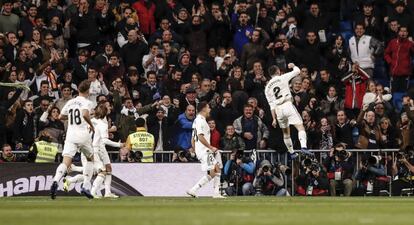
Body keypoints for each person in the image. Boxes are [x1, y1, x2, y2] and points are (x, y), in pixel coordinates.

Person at [50, 80, 95, 199]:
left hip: (70, 135)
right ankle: (85, 186)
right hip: (83, 135)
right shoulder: (87, 102)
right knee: (91, 159)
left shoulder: (70, 102)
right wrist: (91, 125)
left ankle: (55, 180)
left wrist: (70, 117)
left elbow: (60, 116)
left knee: (65, 162)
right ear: (88, 91)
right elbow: (85, 114)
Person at [264, 63, 310, 158]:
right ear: (278, 71)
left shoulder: (267, 88)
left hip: (278, 110)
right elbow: (297, 71)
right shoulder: (282, 78)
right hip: (287, 104)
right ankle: (304, 147)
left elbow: (271, 105)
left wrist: (274, 119)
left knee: (286, 133)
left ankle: (292, 152)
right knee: (300, 126)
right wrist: (293, 66)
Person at [186, 101, 225, 198]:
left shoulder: (196, 121)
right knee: (217, 168)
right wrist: (210, 147)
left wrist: (196, 151)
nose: (210, 110)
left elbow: (192, 139)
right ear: (203, 108)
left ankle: (195, 190)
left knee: (215, 170)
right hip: (204, 150)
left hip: (201, 150)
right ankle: (215, 193)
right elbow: (199, 136)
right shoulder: (200, 121)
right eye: (208, 107)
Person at [89, 103, 124, 198]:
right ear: (104, 112)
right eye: (107, 108)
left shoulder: (92, 121)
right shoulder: (103, 124)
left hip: (96, 147)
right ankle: (92, 192)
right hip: (98, 148)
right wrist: (119, 144)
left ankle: (107, 192)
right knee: (102, 171)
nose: (110, 108)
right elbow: (104, 140)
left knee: (108, 168)